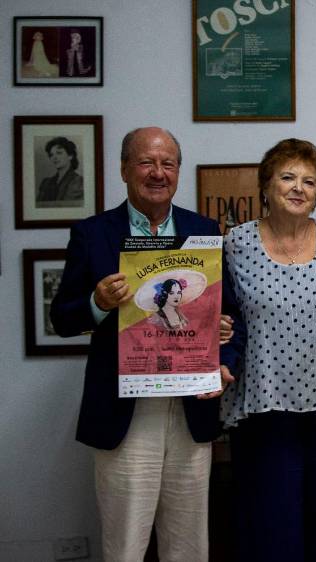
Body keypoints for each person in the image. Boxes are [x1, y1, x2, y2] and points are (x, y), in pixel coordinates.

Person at [50, 127, 243, 562]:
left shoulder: (203, 229)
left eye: (168, 163)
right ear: (123, 169)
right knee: (125, 545)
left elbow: (230, 314)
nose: (158, 173)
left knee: (190, 544)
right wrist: (97, 303)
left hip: (191, 406)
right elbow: (61, 318)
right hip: (126, 411)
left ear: (178, 171)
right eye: (146, 162)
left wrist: (225, 360)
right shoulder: (93, 234)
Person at [220, 138, 316, 562]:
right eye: (287, 177)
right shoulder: (236, 245)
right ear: (266, 185)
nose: (298, 187)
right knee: (273, 524)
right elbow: (221, 314)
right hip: (265, 407)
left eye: (310, 181)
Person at [37, 136, 84, 206]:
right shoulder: (46, 183)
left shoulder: (78, 181)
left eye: (59, 153)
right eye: (51, 155)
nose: (54, 157)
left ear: (70, 155)